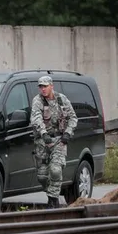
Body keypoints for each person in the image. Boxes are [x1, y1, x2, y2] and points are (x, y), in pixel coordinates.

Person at [30, 76, 78, 209]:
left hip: (59, 141)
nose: (43, 89)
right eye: (41, 86)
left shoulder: (62, 99)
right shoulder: (38, 100)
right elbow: (36, 119)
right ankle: (53, 192)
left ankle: (53, 201)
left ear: (52, 86)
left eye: (45, 86)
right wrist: (44, 134)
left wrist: (68, 133)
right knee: (42, 176)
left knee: (55, 170)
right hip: (43, 142)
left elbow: (73, 117)